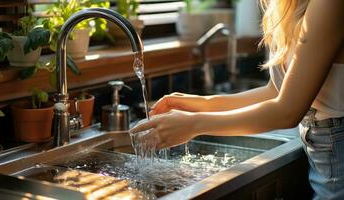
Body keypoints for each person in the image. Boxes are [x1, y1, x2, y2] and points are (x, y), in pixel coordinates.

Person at [130, 0, 344, 199]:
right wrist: (202, 104)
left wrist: (193, 124)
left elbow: (287, 112)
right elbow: (276, 91)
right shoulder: (288, 5)